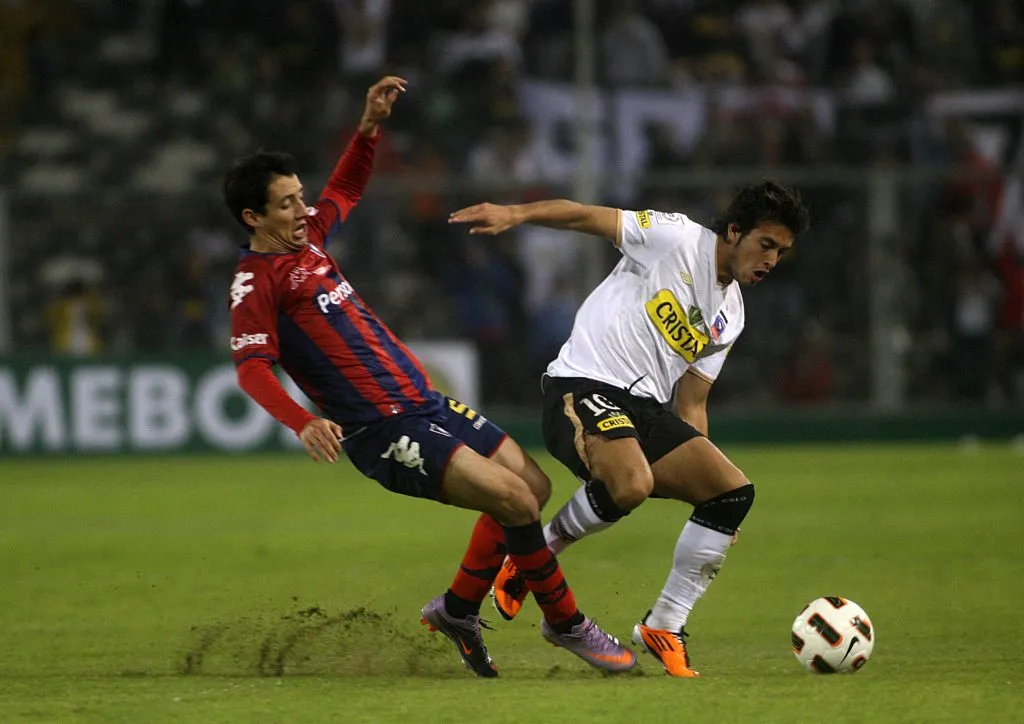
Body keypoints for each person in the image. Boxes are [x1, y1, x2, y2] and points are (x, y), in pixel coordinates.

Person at [222, 76, 635, 678]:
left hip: (425, 403)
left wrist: (368, 128)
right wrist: (301, 420)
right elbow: (251, 367)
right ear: (252, 216)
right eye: (285, 204)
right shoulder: (256, 283)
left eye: (300, 197)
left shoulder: (307, 240)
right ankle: (567, 624)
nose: (302, 210)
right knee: (516, 502)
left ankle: (458, 610)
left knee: (533, 486)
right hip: (382, 429)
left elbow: (346, 189)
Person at [449, 181, 810, 677]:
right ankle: (535, 555)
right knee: (632, 482)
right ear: (733, 231)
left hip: (645, 412)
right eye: (765, 244)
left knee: (731, 494)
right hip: (582, 384)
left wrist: (703, 475)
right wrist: (517, 214)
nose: (771, 259)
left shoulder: (731, 315)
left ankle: (665, 625)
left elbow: (692, 403)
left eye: (781, 252)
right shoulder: (676, 237)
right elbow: (584, 215)